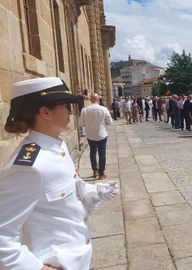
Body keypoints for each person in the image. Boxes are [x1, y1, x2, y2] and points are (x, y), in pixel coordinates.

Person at [0, 77, 118, 270]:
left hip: (78, 258)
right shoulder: (29, 165)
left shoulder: (57, 145)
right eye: (66, 106)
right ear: (45, 112)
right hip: (58, 262)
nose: (71, 112)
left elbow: (60, 190)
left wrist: (91, 191)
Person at [79, 93, 113, 179]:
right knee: (102, 154)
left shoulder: (84, 110)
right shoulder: (104, 109)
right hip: (101, 134)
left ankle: (95, 170)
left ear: (90, 100)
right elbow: (110, 122)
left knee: (92, 152)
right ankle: (101, 173)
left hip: (90, 135)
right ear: (98, 100)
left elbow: (81, 123)